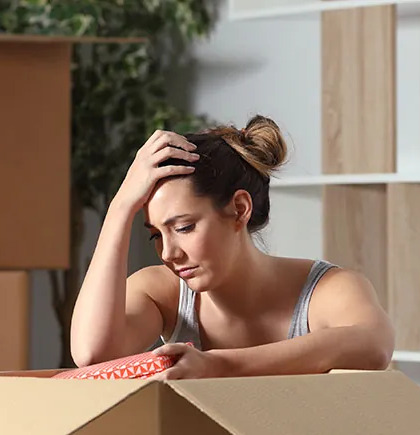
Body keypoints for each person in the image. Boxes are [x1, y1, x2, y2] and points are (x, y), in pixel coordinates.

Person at [69, 115, 395, 380]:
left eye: (183, 227)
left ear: (239, 209)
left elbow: (374, 344)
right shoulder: (163, 293)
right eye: (156, 234)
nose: (169, 253)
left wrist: (220, 366)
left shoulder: (327, 290)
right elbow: (93, 354)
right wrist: (120, 207)